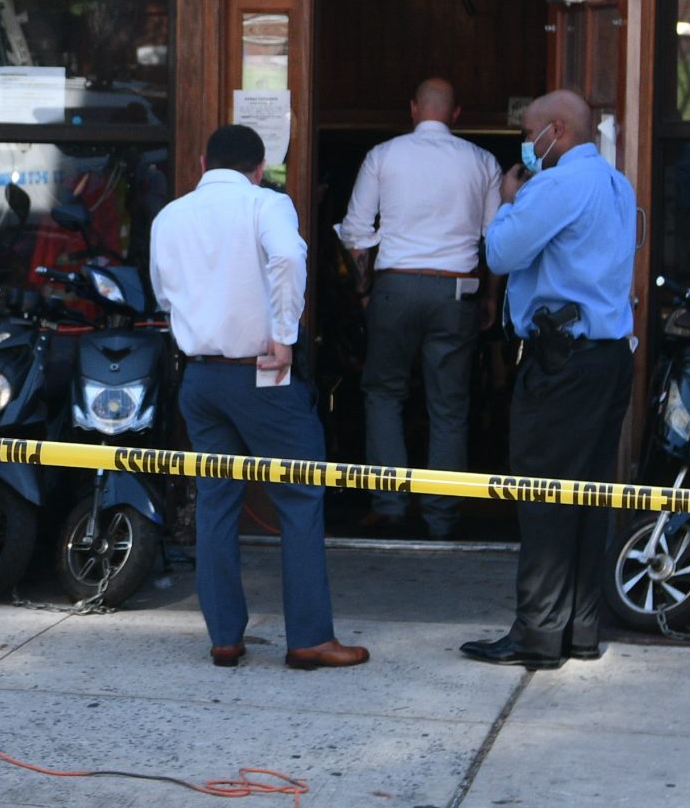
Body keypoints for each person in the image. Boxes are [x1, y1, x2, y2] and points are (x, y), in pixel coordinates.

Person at [149, 124, 369, 672]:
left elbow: (164, 293)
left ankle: (224, 637)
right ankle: (310, 638)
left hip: (201, 376)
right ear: (259, 168)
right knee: (300, 496)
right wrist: (285, 335)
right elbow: (289, 259)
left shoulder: (170, 216)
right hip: (262, 373)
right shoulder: (266, 203)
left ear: (203, 164)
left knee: (216, 502)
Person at [463, 90, 639, 671]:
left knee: (543, 496)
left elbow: (500, 253)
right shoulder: (617, 184)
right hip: (609, 355)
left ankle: (537, 634)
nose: (524, 144)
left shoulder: (557, 185)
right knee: (589, 497)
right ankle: (580, 630)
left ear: (556, 130)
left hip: (561, 360)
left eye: (528, 133)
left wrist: (509, 201)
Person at [335, 77, 502, 535]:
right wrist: (490, 296)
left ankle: (389, 505)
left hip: (395, 286)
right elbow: (496, 239)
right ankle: (441, 517)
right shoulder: (482, 161)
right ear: (456, 114)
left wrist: (366, 291)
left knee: (384, 394)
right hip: (457, 291)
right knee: (449, 405)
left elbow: (355, 232)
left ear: (413, 109)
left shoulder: (383, 155)